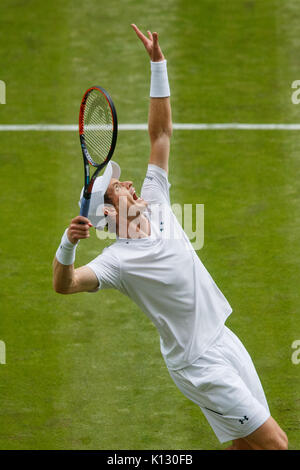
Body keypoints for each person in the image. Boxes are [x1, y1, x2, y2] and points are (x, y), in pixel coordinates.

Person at [53, 24, 288, 450]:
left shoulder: (154, 198)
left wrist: (158, 64)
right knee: (276, 444)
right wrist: (67, 244)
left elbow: (160, 134)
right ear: (107, 212)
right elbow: (65, 285)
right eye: (117, 188)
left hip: (223, 338)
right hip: (198, 365)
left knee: (247, 447)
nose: (127, 185)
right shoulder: (116, 262)